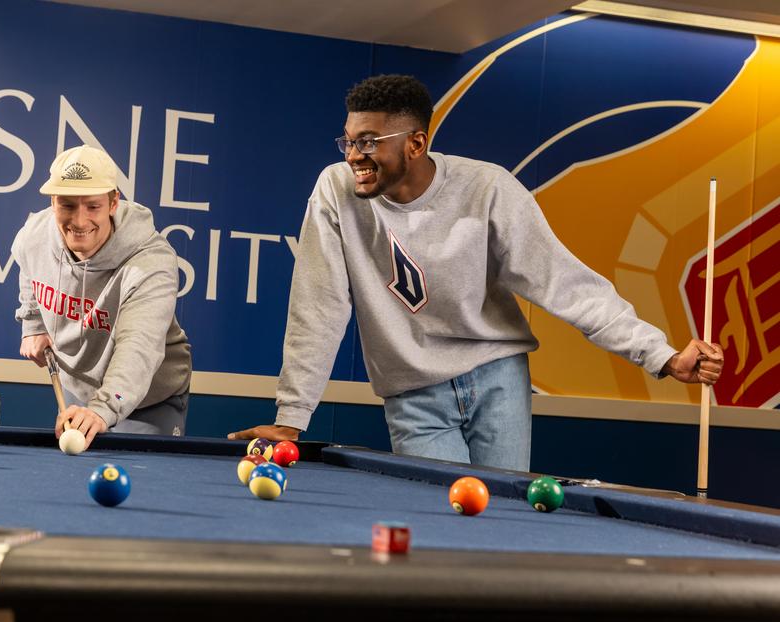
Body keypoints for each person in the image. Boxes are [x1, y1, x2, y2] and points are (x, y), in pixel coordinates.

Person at [229, 74, 723, 471]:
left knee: (500, 527)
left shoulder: (487, 189)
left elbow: (566, 286)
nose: (354, 155)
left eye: (369, 142)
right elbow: (319, 304)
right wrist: (291, 418)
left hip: (497, 379)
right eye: (349, 141)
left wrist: (661, 356)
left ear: (416, 144)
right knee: (442, 530)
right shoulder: (335, 192)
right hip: (413, 392)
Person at [12, 145, 191, 450]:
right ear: (53, 202)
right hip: (76, 386)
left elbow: (139, 348)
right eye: (67, 206)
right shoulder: (36, 232)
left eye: (92, 206)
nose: (79, 222)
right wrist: (33, 323)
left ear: (113, 202)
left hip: (147, 397)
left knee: (141, 484)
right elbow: (27, 264)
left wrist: (103, 408)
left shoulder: (151, 262)